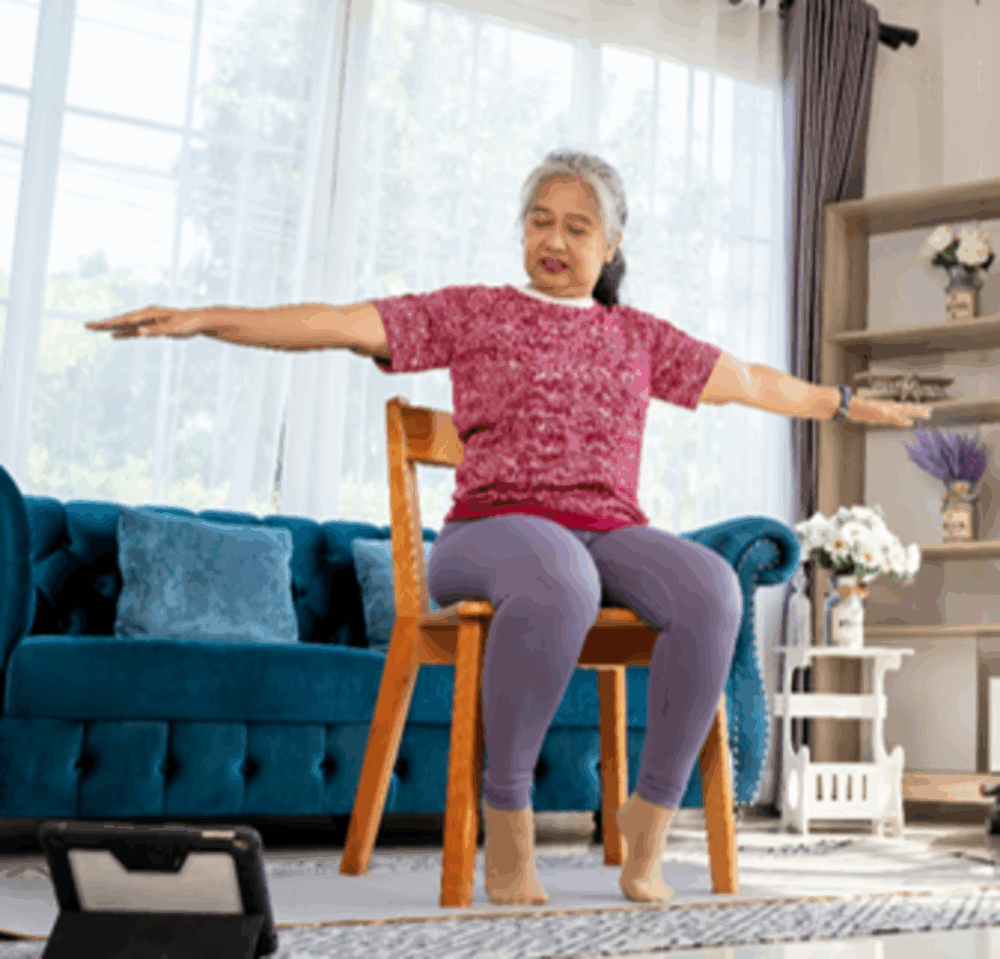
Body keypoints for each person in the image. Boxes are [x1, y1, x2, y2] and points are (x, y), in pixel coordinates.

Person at [86, 149, 932, 907]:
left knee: (711, 586)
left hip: (606, 531)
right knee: (560, 572)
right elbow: (339, 322)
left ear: (612, 245)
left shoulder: (637, 336)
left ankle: (647, 820)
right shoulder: (476, 312)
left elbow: (747, 379)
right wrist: (205, 316)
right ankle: (509, 816)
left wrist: (844, 402)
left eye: (576, 227)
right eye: (539, 220)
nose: (553, 239)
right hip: (489, 533)